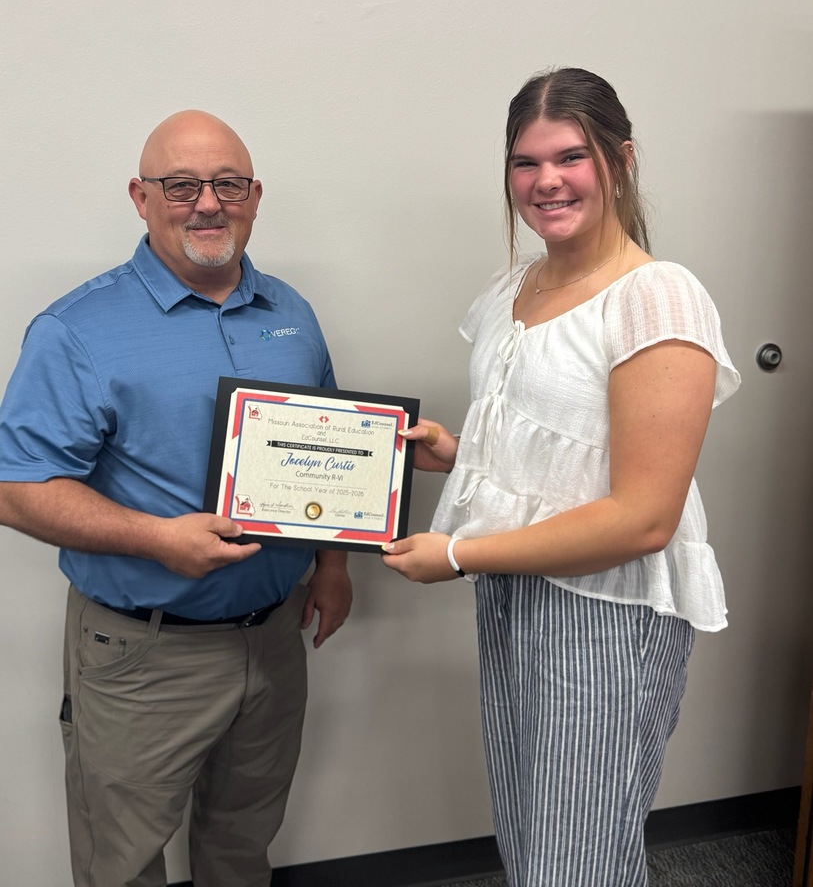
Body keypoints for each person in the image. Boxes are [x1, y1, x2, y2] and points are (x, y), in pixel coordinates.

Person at [383, 68, 740, 887]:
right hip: (517, 587)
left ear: (619, 161)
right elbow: (561, 441)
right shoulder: (521, 284)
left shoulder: (656, 299)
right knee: (530, 833)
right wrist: (457, 445)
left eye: (569, 157)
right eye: (524, 162)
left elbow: (643, 516)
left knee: (577, 859)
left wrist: (459, 554)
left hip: (604, 611)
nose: (545, 181)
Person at [0, 110, 352, 887]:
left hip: (271, 639)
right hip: (143, 654)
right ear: (140, 196)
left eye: (227, 184)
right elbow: (16, 489)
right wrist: (157, 539)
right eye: (181, 184)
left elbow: (325, 456)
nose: (206, 203)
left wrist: (331, 564)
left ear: (254, 196)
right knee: (122, 864)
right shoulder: (76, 330)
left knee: (241, 846)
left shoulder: (291, 315)